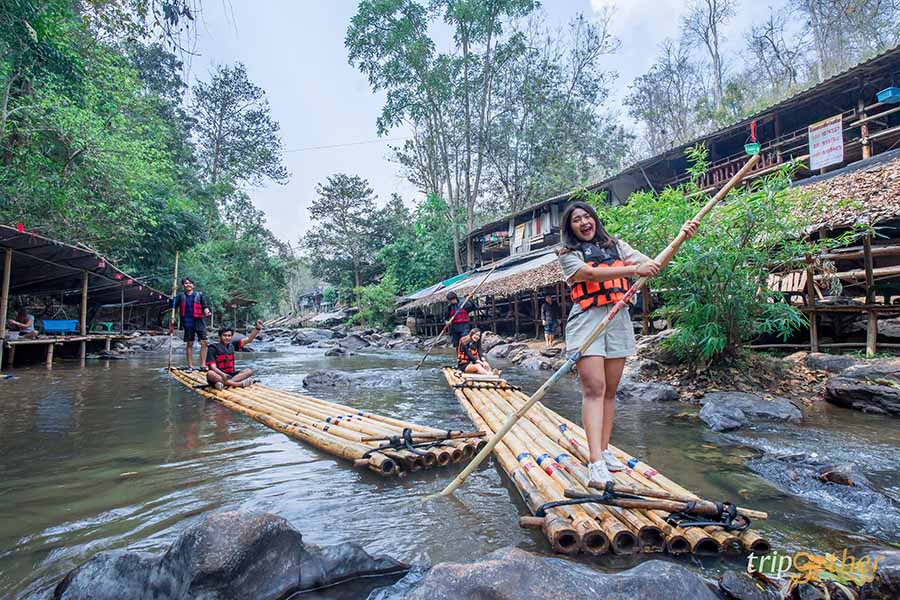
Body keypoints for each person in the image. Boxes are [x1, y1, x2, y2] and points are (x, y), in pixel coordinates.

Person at [557, 201, 698, 487]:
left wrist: (681, 237)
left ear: (595, 220)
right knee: (594, 389)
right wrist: (634, 270)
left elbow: (652, 265)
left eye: (587, 217)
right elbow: (591, 274)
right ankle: (595, 461)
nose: (584, 222)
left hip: (618, 320)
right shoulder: (567, 254)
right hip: (588, 322)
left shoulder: (617, 245)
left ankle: (605, 450)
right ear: (569, 227)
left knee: (610, 391)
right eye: (576, 220)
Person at [206, 320, 264, 389]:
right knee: (210, 374)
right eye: (224, 335)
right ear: (220, 336)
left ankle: (224, 384)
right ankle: (238, 384)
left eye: (229, 336)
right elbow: (213, 367)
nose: (227, 338)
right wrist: (223, 374)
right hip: (219, 374)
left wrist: (257, 329)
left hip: (231, 374)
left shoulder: (232, 345)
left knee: (249, 371)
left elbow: (249, 340)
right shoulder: (212, 348)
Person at [171, 278, 211, 370]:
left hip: (199, 320)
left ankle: (203, 365)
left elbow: (204, 306)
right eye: (186, 283)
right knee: (190, 343)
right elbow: (172, 305)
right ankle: (190, 366)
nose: (188, 284)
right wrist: (173, 293)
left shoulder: (199, 295)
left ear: (193, 285)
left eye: (190, 283)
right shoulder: (180, 296)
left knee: (204, 342)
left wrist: (207, 311)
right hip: (187, 322)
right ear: (183, 286)